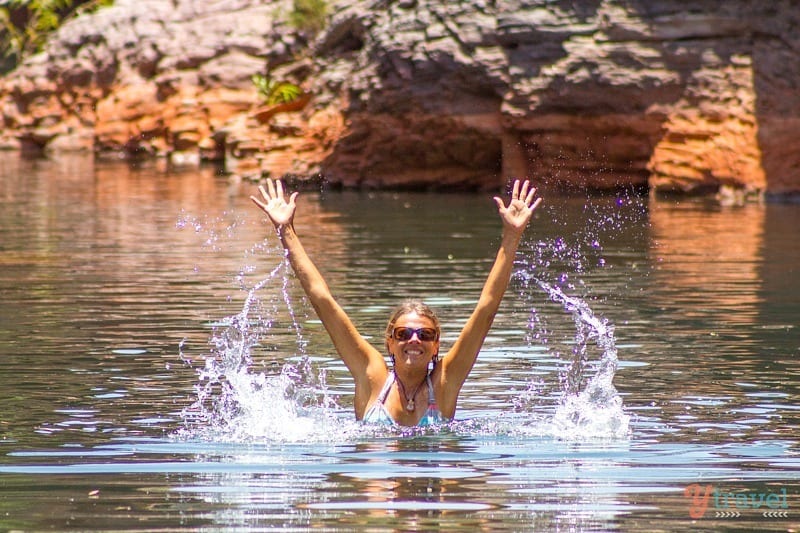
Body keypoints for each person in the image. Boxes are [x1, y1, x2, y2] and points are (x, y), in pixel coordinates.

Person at [251, 178, 543, 427]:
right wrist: (286, 231)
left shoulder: (445, 382)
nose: (414, 340)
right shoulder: (372, 375)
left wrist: (512, 236)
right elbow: (322, 300)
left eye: (424, 335)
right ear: (389, 342)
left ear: (436, 345)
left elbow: (486, 308)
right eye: (403, 334)